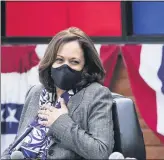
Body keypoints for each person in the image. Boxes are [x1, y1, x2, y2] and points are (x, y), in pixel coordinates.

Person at [1, 27, 114, 159]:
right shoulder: (36, 92)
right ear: (50, 62)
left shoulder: (96, 94)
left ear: (86, 67)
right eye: (59, 60)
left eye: (74, 62)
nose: (65, 67)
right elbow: (16, 144)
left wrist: (60, 122)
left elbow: (101, 152)